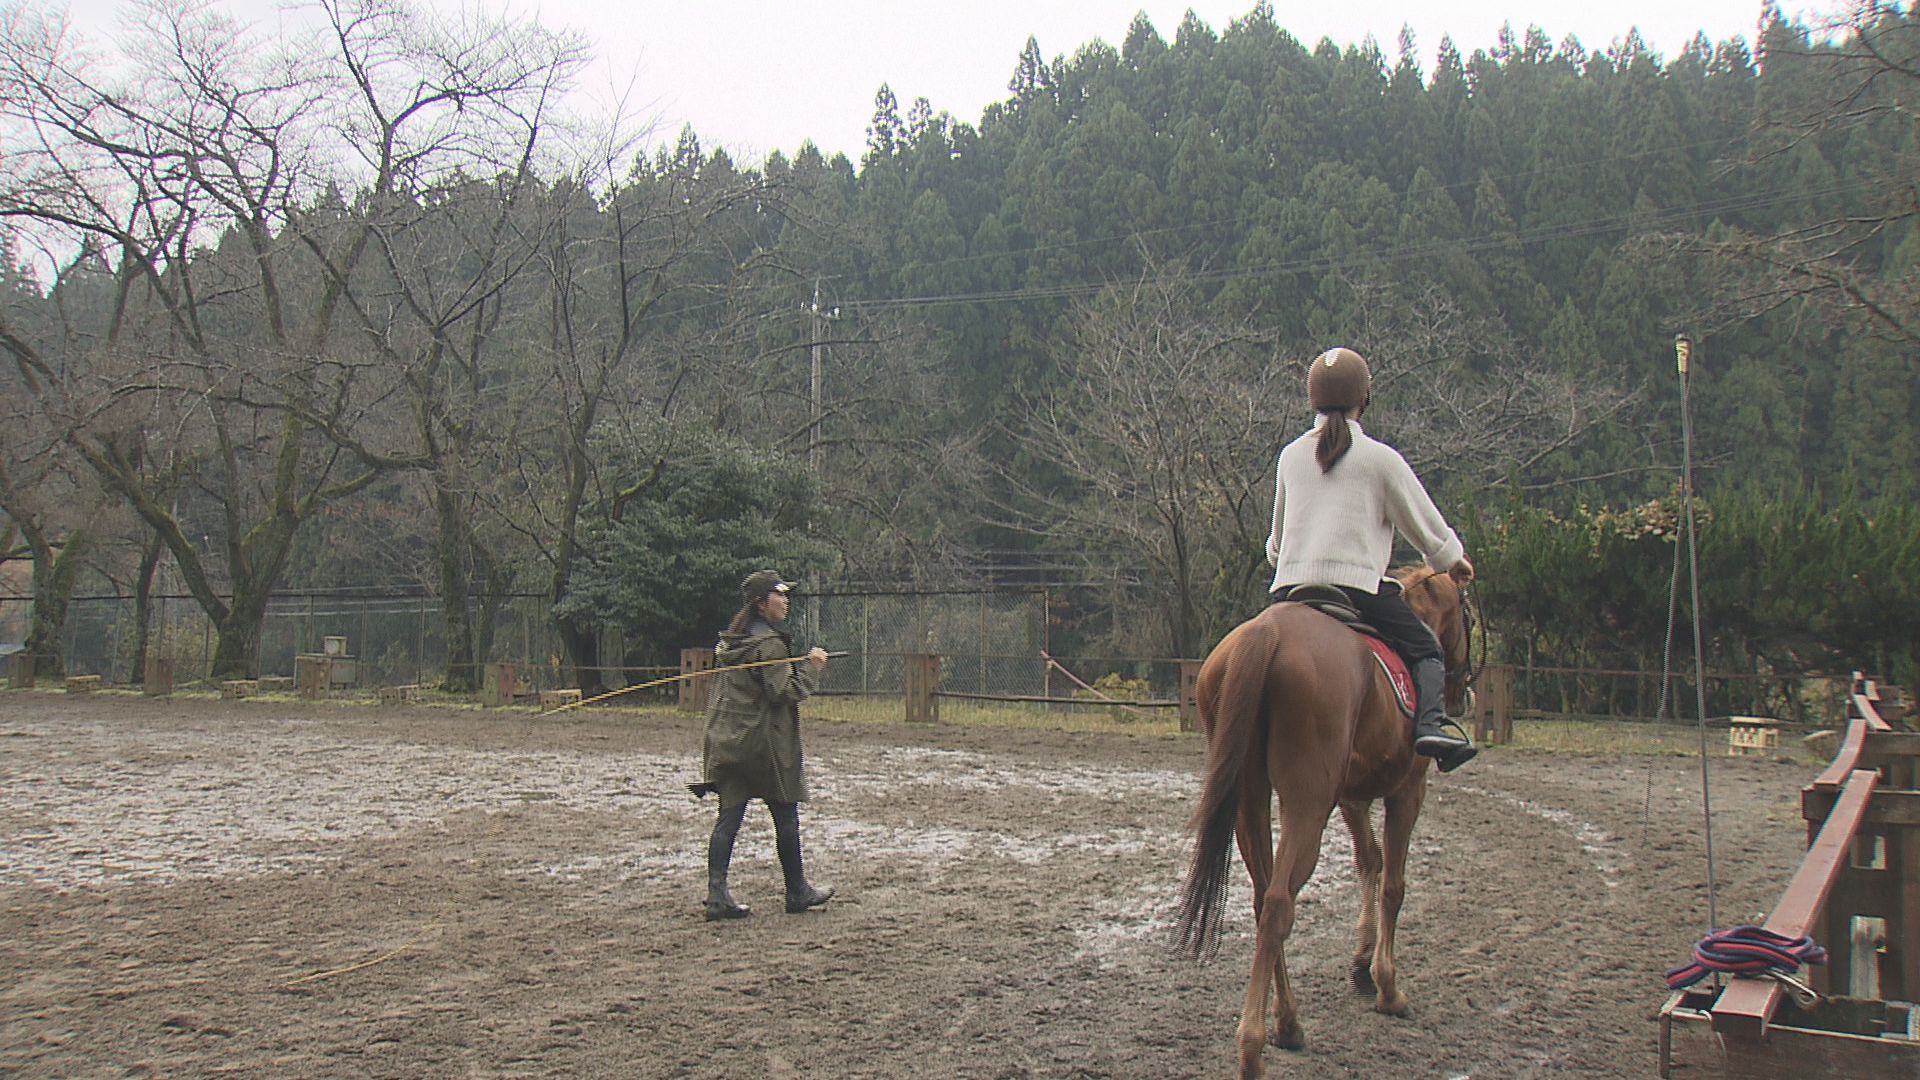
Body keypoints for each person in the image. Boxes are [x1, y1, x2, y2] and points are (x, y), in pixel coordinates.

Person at [1265, 346, 1478, 772]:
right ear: (1365, 398)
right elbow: (1429, 531)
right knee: (1426, 650)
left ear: (1313, 399)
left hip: (1289, 590)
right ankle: (1431, 729)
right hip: (1357, 592)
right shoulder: (1380, 459)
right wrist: (1453, 560)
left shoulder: (1290, 456)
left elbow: (1274, 546)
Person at [696, 569, 834, 921]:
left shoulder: (730, 642)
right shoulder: (768, 645)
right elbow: (782, 692)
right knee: (785, 811)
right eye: (779, 596)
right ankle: (797, 890)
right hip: (762, 746)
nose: (785, 601)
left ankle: (717, 895)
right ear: (760, 604)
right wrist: (811, 668)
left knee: (728, 818)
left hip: (726, 743)